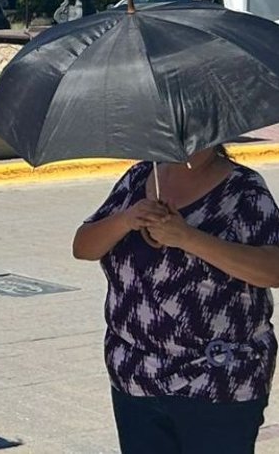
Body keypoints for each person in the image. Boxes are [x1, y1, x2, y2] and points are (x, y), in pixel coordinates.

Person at [73, 148, 279, 453]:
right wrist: (127, 220)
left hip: (217, 382)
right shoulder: (140, 178)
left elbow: (272, 269)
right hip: (136, 378)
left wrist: (186, 237)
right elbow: (83, 246)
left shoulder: (243, 190)